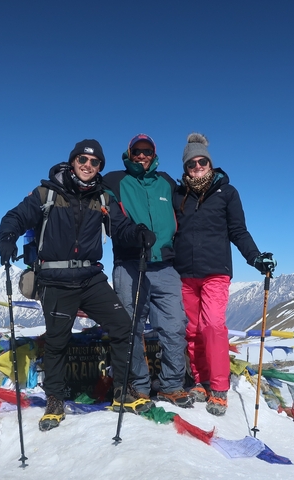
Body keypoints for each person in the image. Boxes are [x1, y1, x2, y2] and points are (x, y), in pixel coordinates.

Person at [0, 139, 157, 432]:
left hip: (90, 278)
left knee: (122, 326)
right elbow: (16, 217)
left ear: (99, 168)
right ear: (73, 161)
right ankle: (55, 400)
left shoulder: (103, 198)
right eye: (83, 159)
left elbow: (120, 227)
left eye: (95, 163)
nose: (88, 166)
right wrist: (7, 237)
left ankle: (122, 391)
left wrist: (139, 233)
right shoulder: (47, 193)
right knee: (57, 341)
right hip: (55, 279)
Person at [172, 133, 276, 416]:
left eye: (201, 161)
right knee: (192, 330)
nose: (197, 167)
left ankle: (219, 387)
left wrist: (255, 258)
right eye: (191, 164)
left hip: (216, 272)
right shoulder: (178, 194)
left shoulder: (226, 193)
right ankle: (201, 381)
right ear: (185, 168)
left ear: (210, 163)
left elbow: (238, 231)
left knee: (213, 326)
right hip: (184, 274)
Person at [102, 134, 192, 408]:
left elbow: (189, 208)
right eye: (138, 151)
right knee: (131, 328)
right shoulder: (114, 180)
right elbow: (103, 211)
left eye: (148, 152)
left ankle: (171, 385)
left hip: (165, 265)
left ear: (154, 154)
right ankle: (138, 387)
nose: (142, 156)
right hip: (130, 264)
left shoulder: (166, 182)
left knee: (174, 327)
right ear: (129, 153)